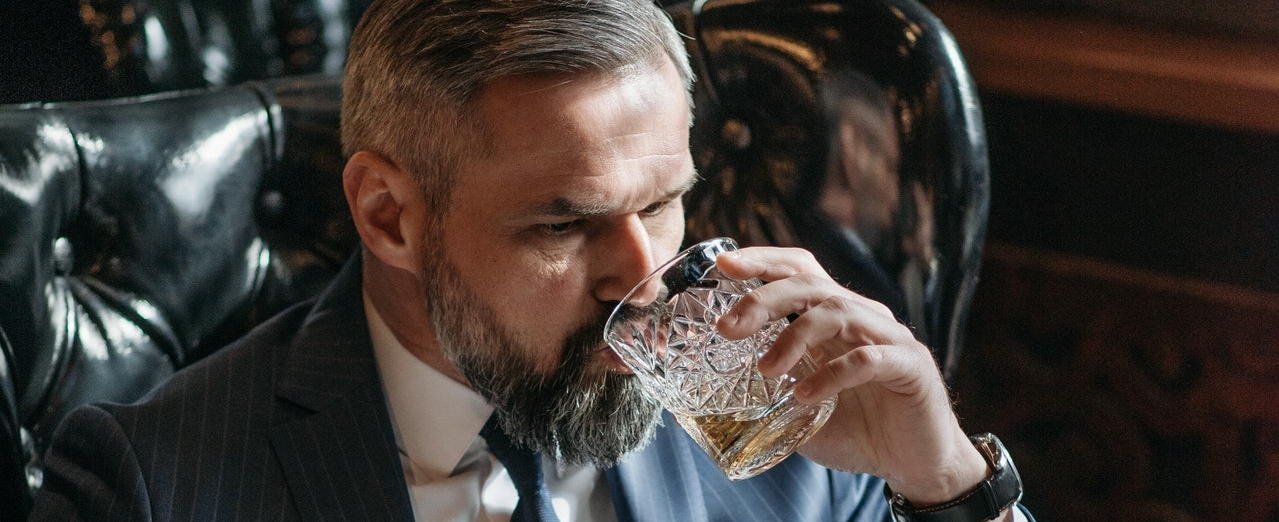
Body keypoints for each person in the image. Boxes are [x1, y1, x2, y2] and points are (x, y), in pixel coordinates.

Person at [28, 0, 1036, 520]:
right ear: (388, 216)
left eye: (665, 202)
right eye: (563, 225)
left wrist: (947, 484)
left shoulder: (783, 440)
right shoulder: (152, 487)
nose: (639, 273)